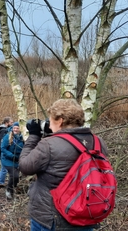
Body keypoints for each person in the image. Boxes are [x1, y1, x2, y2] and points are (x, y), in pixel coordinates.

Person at [19, 99, 107, 231]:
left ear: (60, 121)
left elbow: (25, 167)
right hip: (86, 214)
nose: (49, 125)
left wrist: (33, 136)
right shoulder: (98, 142)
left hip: (52, 218)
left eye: (51, 120)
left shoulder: (49, 144)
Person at [0, 122, 24, 200]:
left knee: (16, 177)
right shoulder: (8, 136)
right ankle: (9, 190)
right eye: (14, 128)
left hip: (18, 160)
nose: (15, 130)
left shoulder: (23, 138)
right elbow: (3, 148)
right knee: (14, 175)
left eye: (17, 128)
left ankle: (11, 192)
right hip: (7, 159)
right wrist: (12, 156)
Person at [0, 117, 13, 188]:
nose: (12, 124)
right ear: (6, 123)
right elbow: (2, 142)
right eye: (11, 122)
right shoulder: (3, 131)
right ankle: (1, 183)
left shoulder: (3, 129)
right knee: (4, 168)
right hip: (1, 151)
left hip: (2, 151)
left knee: (4, 167)